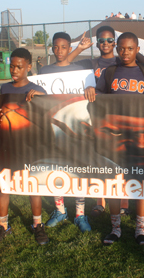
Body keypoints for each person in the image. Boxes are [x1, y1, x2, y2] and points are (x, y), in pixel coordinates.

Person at [85, 32, 144, 246]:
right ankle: (115, 229)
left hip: (141, 137)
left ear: (137, 50)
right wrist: (92, 90)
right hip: (115, 137)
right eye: (121, 48)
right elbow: (99, 97)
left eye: (130, 48)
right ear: (116, 49)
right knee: (114, 183)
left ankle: (140, 229)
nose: (125, 52)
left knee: (141, 182)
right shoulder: (110, 71)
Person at [0, 47, 49, 245]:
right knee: (3, 187)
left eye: (19, 67)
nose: (14, 70)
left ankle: (37, 225)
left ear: (29, 67)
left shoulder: (37, 91)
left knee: (34, 186)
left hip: (30, 147)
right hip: (7, 146)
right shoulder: (4, 89)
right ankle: (3, 226)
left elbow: (45, 118)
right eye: (12, 66)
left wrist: (40, 98)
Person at [38, 32, 93, 232]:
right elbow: (39, 96)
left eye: (64, 47)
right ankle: (60, 209)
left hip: (76, 129)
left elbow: (89, 95)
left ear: (69, 48)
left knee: (79, 170)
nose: (59, 51)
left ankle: (80, 213)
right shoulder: (44, 71)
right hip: (53, 128)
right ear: (52, 48)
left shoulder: (81, 72)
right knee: (56, 168)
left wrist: (90, 89)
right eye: (56, 47)